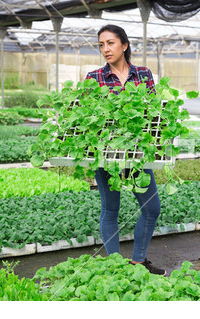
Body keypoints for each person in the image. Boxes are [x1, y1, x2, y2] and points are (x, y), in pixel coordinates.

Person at [85, 24, 165, 275]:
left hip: (137, 154)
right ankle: (116, 266)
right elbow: (85, 117)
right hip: (106, 155)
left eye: (110, 43)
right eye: (101, 45)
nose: (105, 49)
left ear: (124, 45)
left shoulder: (143, 74)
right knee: (111, 209)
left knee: (151, 208)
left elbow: (153, 113)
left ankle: (138, 261)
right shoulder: (94, 78)